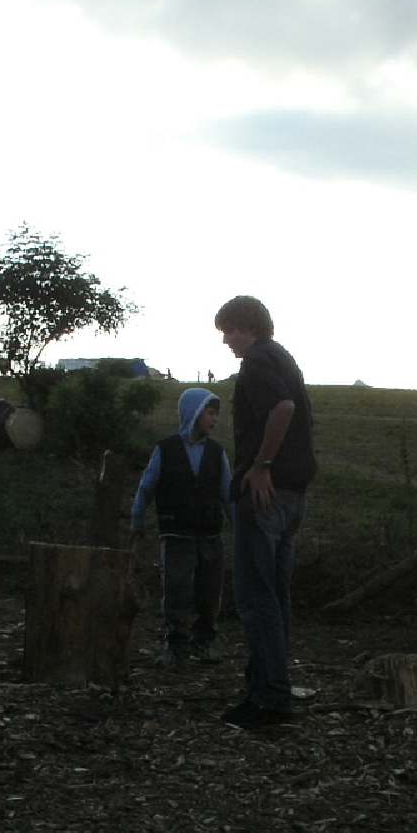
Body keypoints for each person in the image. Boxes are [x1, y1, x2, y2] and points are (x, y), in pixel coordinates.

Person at [214, 296, 315, 731]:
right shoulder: (283, 357)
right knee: (275, 595)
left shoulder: (257, 362)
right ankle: (267, 687)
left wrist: (260, 465)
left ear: (247, 326)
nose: (226, 341)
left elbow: (283, 408)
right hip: (293, 492)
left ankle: (269, 697)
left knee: (256, 598)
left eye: (228, 331)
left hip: (265, 494)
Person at [130, 387, 233, 667]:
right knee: (176, 589)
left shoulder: (217, 453)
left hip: (210, 534)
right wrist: (137, 519)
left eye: (216, 414)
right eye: (210, 413)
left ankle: (204, 643)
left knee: (210, 591)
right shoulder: (165, 449)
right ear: (194, 413)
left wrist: (238, 524)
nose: (214, 419)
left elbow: (228, 494)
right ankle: (175, 645)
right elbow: (146, 486)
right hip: (176, 533)